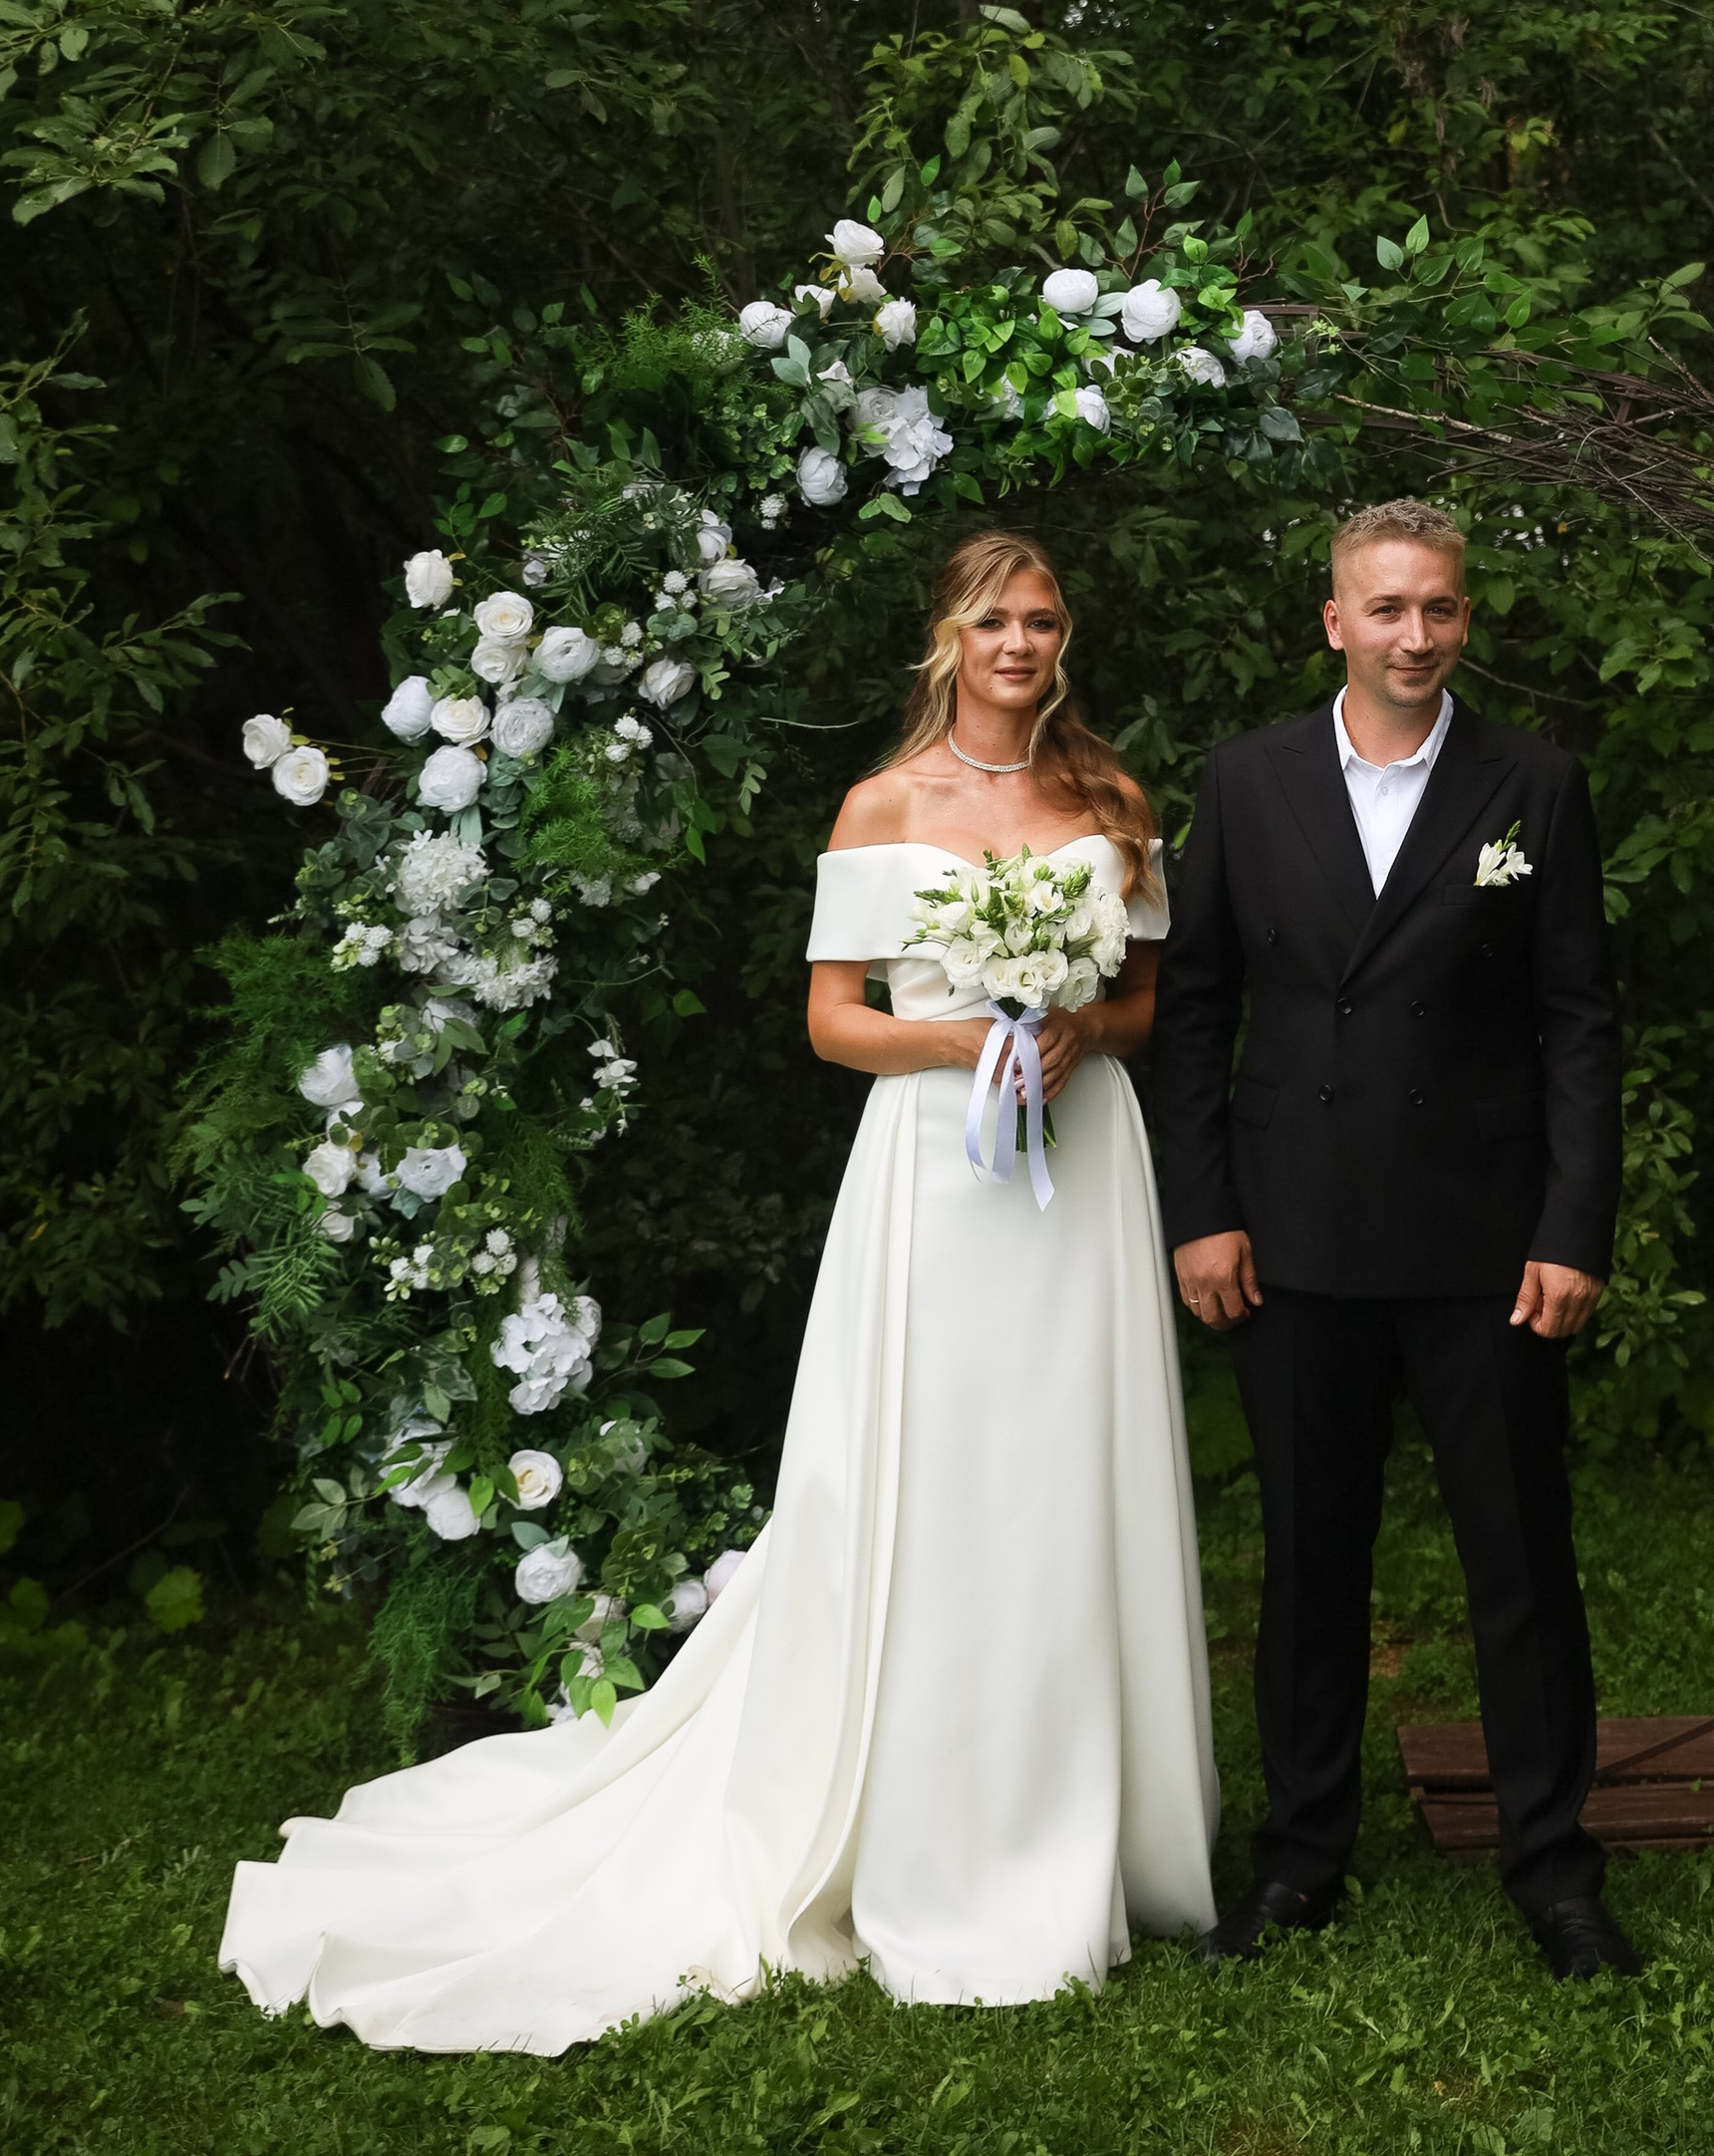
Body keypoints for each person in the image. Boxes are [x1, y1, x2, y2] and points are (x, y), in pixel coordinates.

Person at [220, 528, 1216, 2048]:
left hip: (1079, 1166)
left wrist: (1079, 1033)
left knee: (1066, 1469)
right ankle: (920, 1822)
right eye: (995, 620)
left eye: (1044, 620)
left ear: (1063, 639)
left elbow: (1146, 996)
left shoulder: (1113, 801)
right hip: (938, 1180)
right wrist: (961, 1039)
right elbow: (831, 1022)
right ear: (948, 637)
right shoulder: (882, 804)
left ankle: (1085, 1817)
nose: (1022, 643)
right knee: (940, 1476)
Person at [1154, 497, 1638, 1984]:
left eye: (1438, 610)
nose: (1414, 636)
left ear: (1466, 619)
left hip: (1484, 1243)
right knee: (1307, 1561)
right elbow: (1194, 1009)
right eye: (1386, 610)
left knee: (1522, 1563)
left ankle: (1553, 1870)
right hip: (1292, 1236)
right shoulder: (1245, 782)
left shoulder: (1532, 783)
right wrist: (1203, 1209)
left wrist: (1573, 1224)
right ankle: (1301, 1860)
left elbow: (1579, 1022)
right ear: (1335, 623)